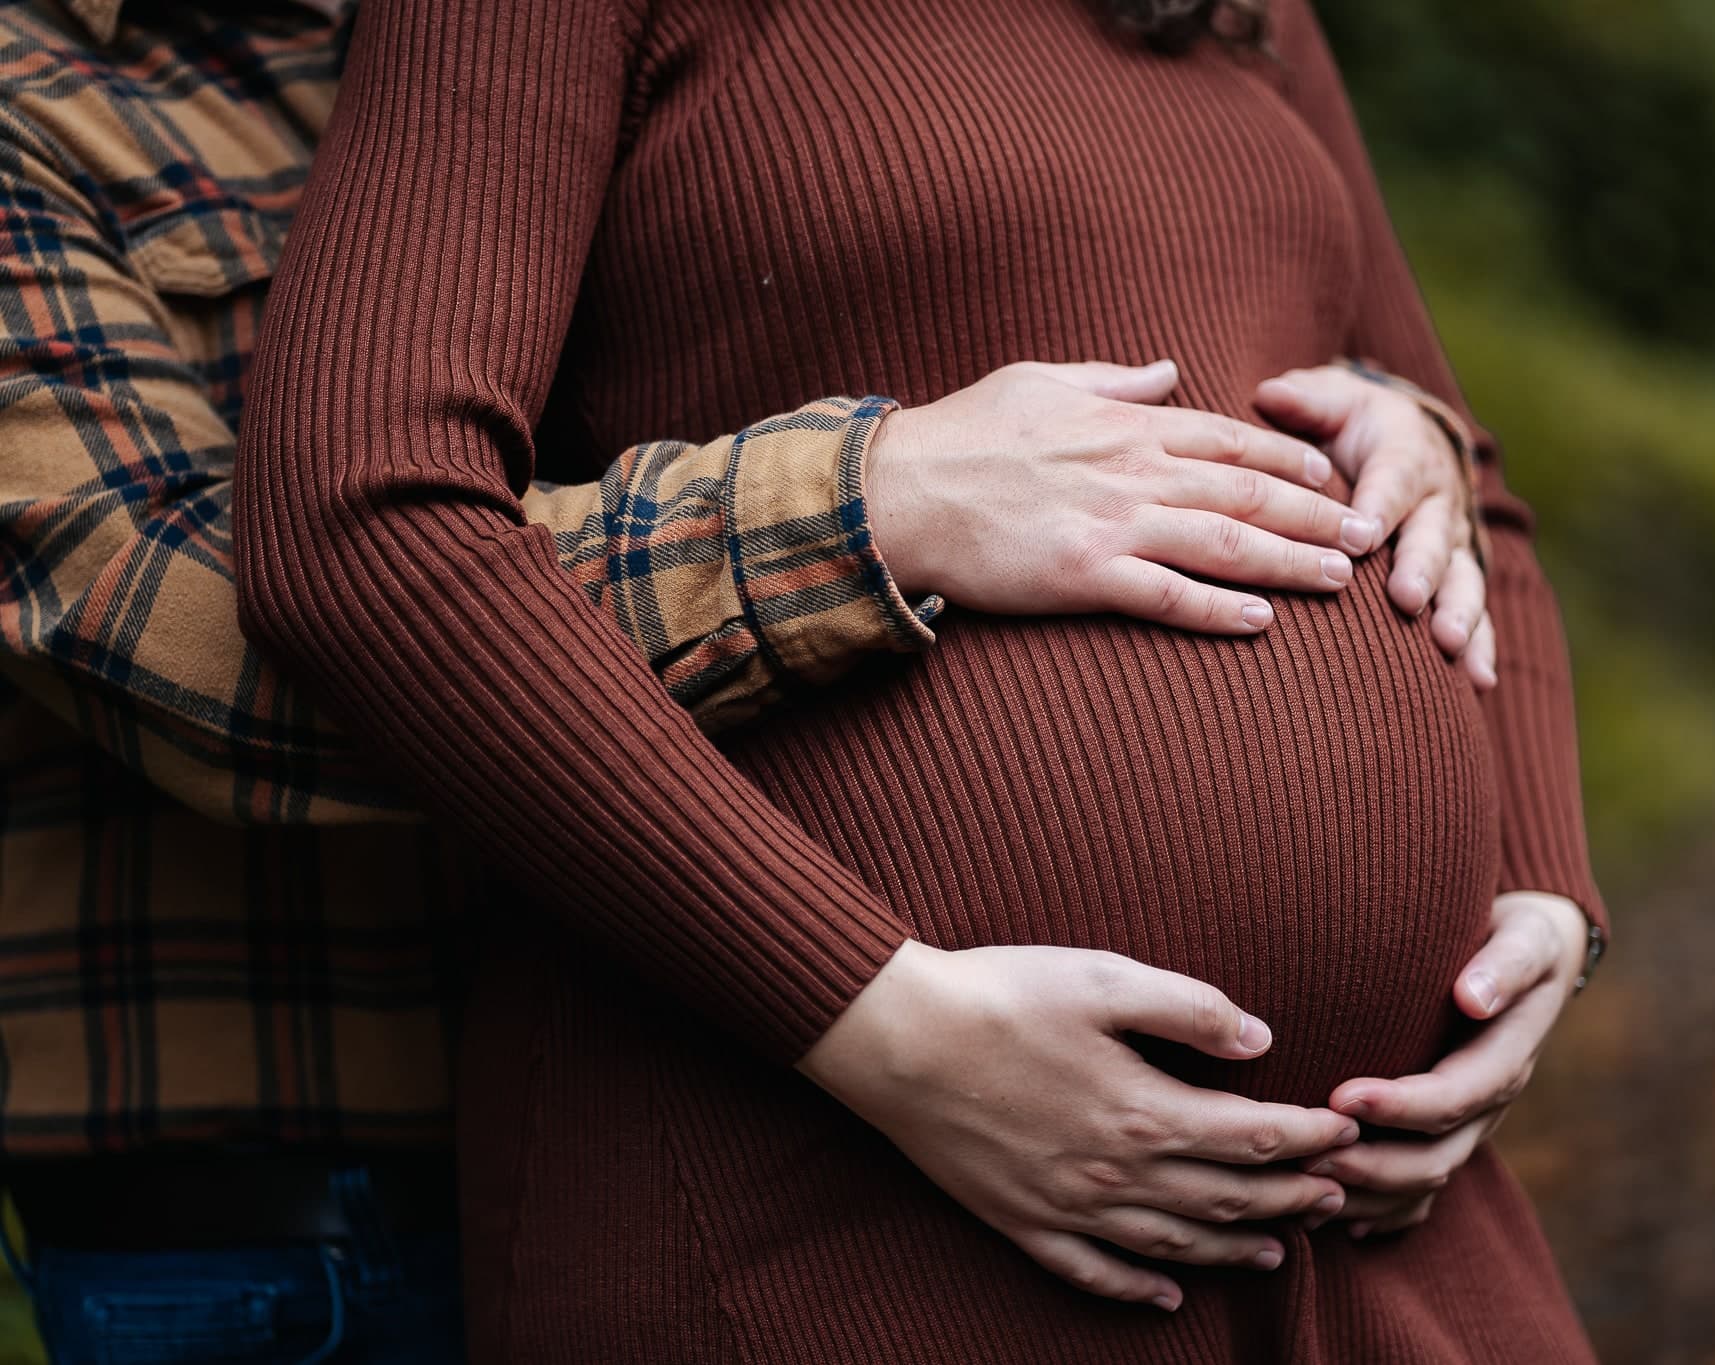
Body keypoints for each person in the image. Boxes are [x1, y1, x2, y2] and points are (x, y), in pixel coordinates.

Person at [0, 1, 1521, 1361]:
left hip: (796, 1053)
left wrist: (1406, 453)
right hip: (310, 1196)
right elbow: (213, 626)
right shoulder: (47, 88)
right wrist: (869, 503)